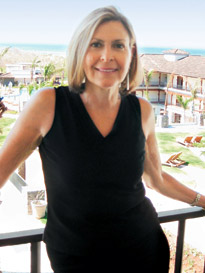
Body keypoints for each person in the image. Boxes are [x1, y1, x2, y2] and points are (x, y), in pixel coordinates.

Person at [0, 6, 205, 273]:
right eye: (96, 44)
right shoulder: (49, 104)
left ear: (130, 53)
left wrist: (201, 200)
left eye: (118, 45)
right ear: (81, 51)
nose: (107, 56)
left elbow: (156, 179)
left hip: (143, 249)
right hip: (75, 258)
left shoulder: (141, 110)